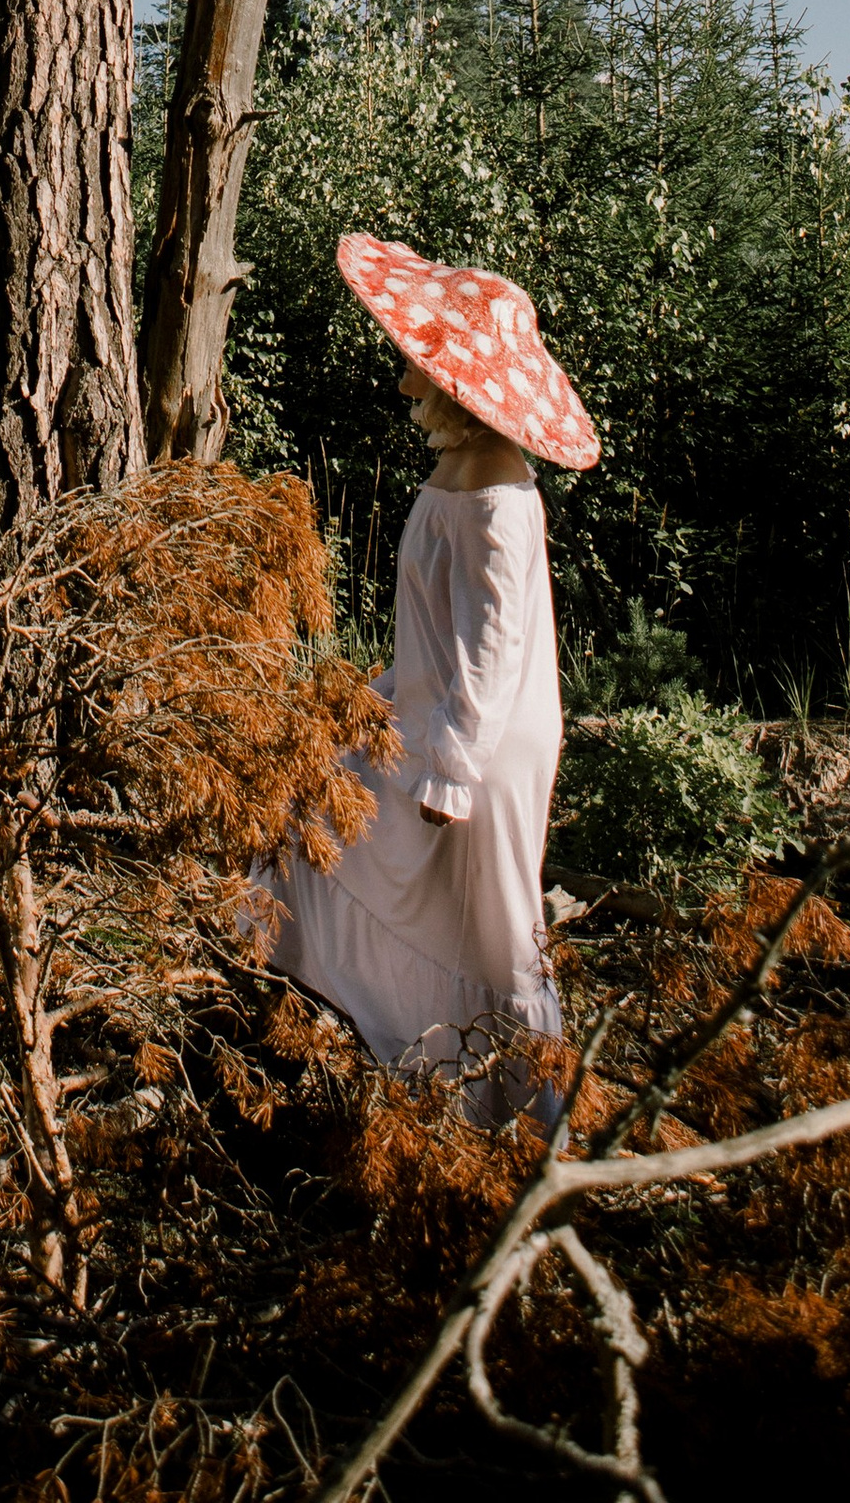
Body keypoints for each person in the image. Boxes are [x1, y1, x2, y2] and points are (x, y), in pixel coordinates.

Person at [256, 233, 599, 1114]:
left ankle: (525, 1120)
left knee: (494, 936)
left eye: (420, 367)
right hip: (436, 716)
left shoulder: (495, 499)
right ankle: (424, 1081)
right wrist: (376, 699)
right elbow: (442, 634)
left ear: (458, 385)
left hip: (480, 743)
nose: (408, 384)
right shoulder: (464, 471)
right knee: (319, 824)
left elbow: (494, 648)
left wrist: (452, 767)